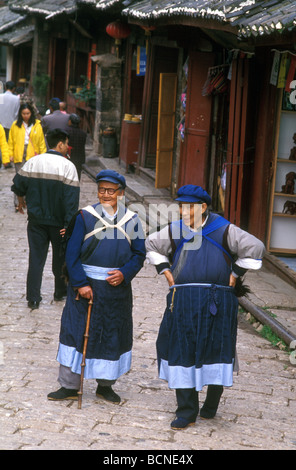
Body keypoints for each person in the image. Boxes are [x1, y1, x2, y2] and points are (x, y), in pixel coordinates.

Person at [145, 184, 265, 430]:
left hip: (217, 301)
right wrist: (166, 272)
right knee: (182, 348)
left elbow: (256, 247)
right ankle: (186, 411)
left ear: (202, 207)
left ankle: (211, 404)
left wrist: (236, 272)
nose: (183, 210)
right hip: (183, 301)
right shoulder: (175, 229)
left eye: (189, 206)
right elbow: (151, 244)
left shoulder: (224, 229)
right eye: (181, 206)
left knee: (215, 348)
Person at [47, 169, 146, 404]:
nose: (105, 194)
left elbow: (139, 254)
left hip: (116, 289)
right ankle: (69, 385)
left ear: (120, 193)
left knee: (111, 333)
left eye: (111, 191)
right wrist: (80, 283)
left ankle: (105, 385)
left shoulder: (132, 220)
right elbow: (71, 254)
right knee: (75, 331)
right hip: (86, 286)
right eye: (102, 190)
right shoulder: (84, 216)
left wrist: (124, 273)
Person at [11, 128, 80, 310]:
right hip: (58, 224)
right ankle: (59, 292)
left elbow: (17, 186)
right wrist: (69, 225)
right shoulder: (68, 167)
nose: (67, 147)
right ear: (60, 144)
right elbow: (71, 201)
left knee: (36, 259)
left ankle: (33, 298)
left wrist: (21, 203)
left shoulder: (33, 162)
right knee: (60, 257)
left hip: (36, 222)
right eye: (66, 144)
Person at [67, 113, 87, 180]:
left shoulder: (67, 132)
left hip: (69, 157)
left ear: (70, 121)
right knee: (77, 177)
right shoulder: (83, 134)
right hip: (79, 158)